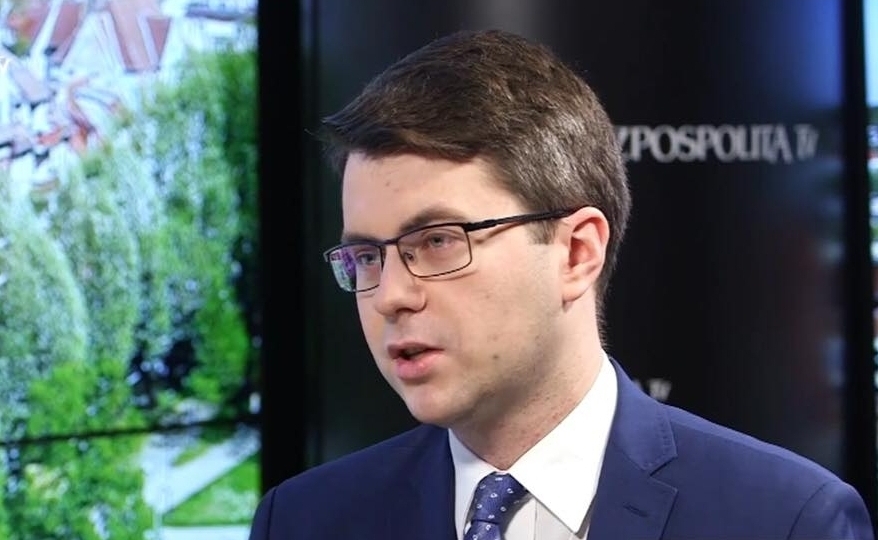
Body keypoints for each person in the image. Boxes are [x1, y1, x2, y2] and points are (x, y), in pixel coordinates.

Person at [248, 28, 875, 540]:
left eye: (438, 241)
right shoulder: (304, 520)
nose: (390, 295)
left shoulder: (785, 519)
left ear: (577, 253)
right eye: (366, 256)